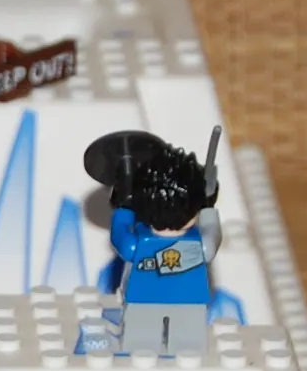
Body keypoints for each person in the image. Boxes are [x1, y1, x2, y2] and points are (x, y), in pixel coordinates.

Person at [84, 128, 224, 356]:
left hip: (142, 300)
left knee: (139, 348)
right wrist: (209, 207)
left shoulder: (137, 244)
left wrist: (125, 207)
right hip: (190, 301)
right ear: (194, 209)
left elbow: (119, 236)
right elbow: (212, 234)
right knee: (188, 349)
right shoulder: (201, 246)